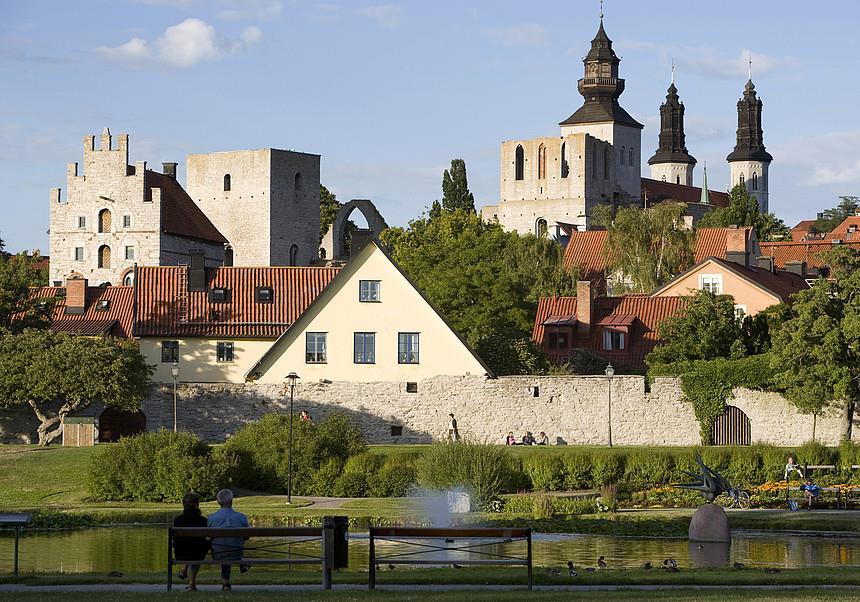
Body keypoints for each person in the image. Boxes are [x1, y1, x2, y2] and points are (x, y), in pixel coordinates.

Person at [207, 488, 250, 591]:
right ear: (231, 501)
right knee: (231, 547)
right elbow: (247, 536)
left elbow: (208, 538)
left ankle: (226, 583)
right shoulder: (241, 517)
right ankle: (243, 564)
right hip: (236, 553)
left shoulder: (212, 518)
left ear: (218, 502)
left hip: (218, 554)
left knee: (223, 548)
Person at [172, 492, 209, 592]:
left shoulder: (178, 520)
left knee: (190, 547)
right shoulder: (203, 520)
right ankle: (192, 584)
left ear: (184, 504)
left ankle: (189, 579)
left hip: (180, 553)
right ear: (197, 504)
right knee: (197, 548)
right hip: (198, 553)